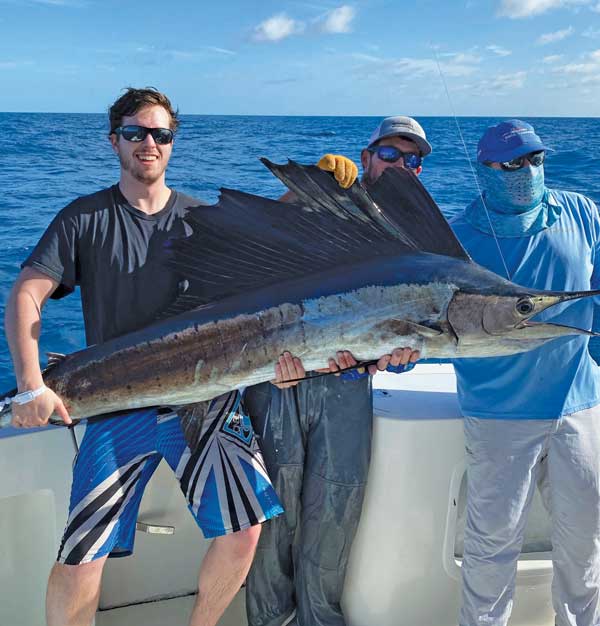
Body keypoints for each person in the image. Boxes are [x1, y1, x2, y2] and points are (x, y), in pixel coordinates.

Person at [4, 87, 283, 626]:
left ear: (173, 143)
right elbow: (25, 295)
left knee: (246, 527)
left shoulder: (205, 220)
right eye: (135, 132)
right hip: (118, 408)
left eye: (160, 134)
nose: (148, 143)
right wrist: (31, 384)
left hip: (203, 401)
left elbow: (257, 311)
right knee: (83, 555)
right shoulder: (83, 218)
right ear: (115, 142)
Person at [244, 116, 427, 626]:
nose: (401, 166)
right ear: (366, 157)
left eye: (413, 160)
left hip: (348, 385)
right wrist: (307, 192)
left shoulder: (414, 234)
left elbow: (414, 329)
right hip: (278, 376)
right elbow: (259, 244)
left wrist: (402, 356)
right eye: (390, 155)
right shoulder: (331, 196)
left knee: (334, 512)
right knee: (275, 512)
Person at [449, 120, 600, 626]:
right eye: (513, 163)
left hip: (579, 405)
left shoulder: (581, 212)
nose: (528, 171)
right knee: (491, 550)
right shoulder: (456, 239)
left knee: (587, 545)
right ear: (484, 170)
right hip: (498, 417)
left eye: (536, 159)